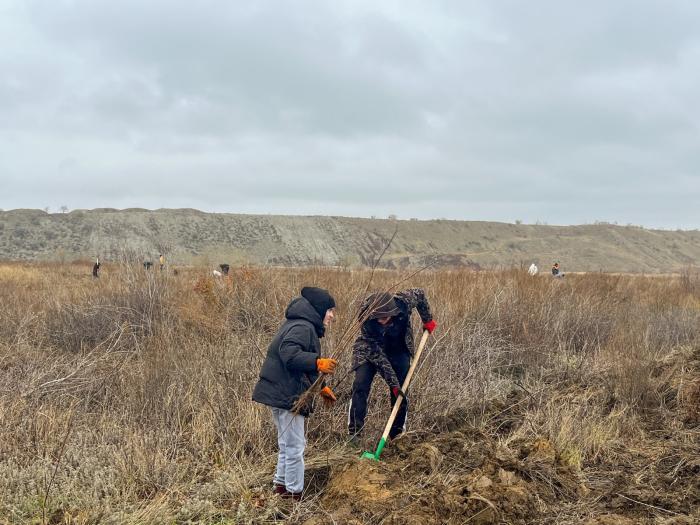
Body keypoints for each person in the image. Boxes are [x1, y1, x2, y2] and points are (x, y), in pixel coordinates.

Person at [252, 286, 338, 500]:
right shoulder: (303, 327)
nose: (332, 316)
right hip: (287, 395)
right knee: (295, 447)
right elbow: (289, 355)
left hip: (282, 392)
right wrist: (317, 362)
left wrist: (321, 387)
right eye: (329, 310)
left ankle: (280, 489)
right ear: (319, 310)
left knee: (286, 445)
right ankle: (292, 496)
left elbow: (300, 366)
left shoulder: (299, 323)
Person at [348, 289, 436, 445]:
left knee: (401, 389)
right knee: (360, 384)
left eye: (385, 318)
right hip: (370, 349)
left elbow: (421, 295)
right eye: (378, 319)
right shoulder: (366, 318)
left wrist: (427, 319)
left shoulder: (403, 302)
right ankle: (355, 434)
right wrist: (392, 382)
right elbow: (378, 357)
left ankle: (397, 435)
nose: (382, 321)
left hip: (398, 348)